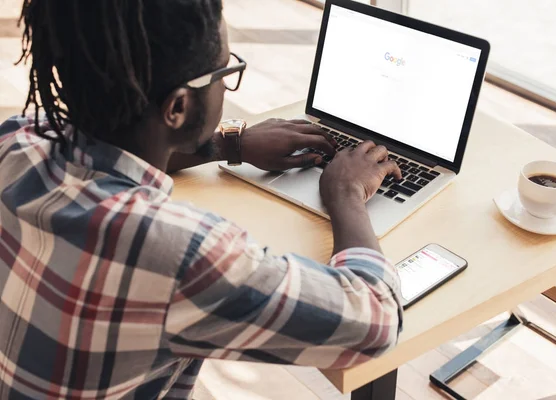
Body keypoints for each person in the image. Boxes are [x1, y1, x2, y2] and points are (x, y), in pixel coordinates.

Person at [0, 1, 403, 398]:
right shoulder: (175, 252)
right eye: (225, 71)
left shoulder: (17, 142)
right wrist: (347, 194)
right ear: (177, 106)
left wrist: (230, 143)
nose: (226, 83)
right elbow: (375, 323)